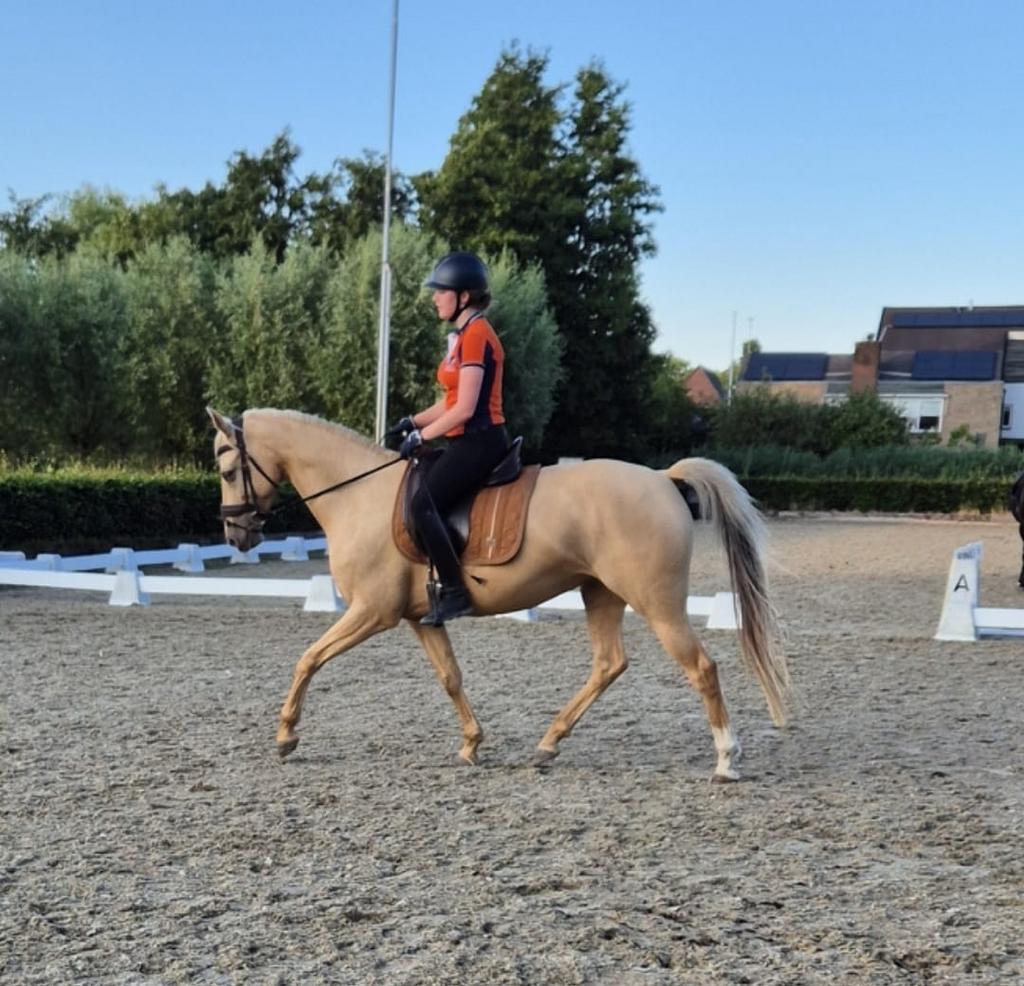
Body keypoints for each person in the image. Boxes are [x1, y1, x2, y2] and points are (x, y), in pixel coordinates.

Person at [385, 251, 510, 625]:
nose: (435, 297)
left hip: (481, 441)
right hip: (464, 439)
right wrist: (411, 421)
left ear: (464, 296)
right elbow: (450, 401)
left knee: (423, 505)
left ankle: (455, 592)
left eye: (442, 291)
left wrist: (420, 437)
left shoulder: (477, 336)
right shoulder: (462, 338)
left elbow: (465, 409)